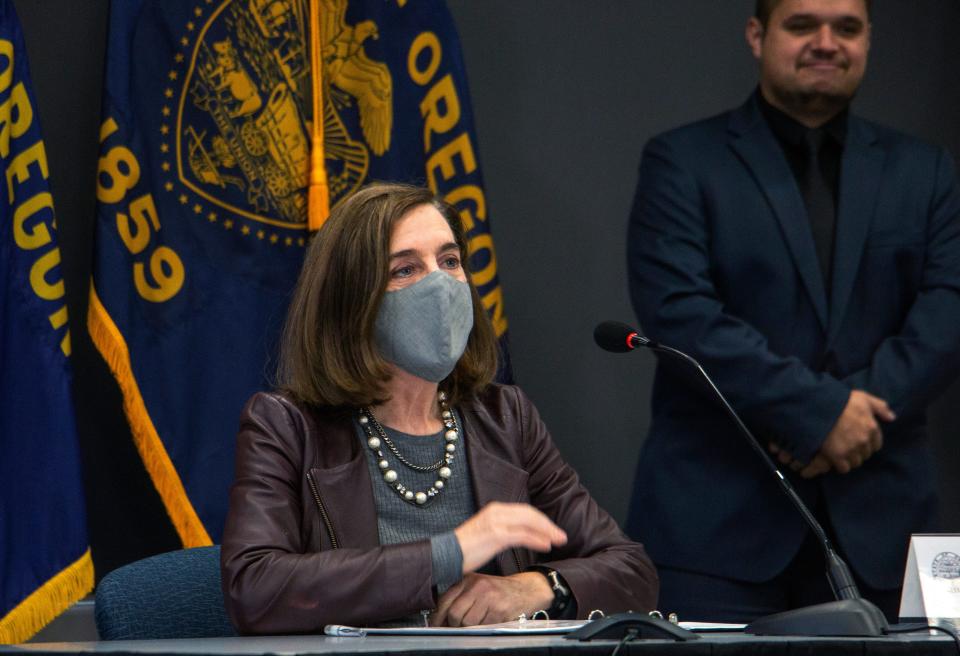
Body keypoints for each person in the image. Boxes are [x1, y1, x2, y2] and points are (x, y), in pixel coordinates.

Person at [625, 0, 960, 623]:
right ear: (758, 35)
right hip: (715, 531)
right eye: (802, 25)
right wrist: (822, 413)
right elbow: (682, 315)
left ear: (868, 40)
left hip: (887, 532)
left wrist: (850, 416)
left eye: (848, 28)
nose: (826, 42)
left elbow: (948, 312)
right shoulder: (682, 161)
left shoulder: (927, 171)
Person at [221, 183, 658, 633]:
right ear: (350, 299)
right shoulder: (288, 425)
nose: (439, 285)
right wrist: (453, 552)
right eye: (405, 269)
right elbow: (255, 590)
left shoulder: (505, 417)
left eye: (450, 262)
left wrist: (538, 587)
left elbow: (631, 569)